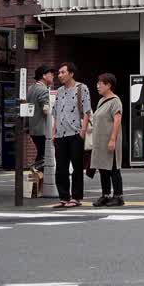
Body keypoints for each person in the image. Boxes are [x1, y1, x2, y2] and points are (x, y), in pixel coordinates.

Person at [51, 62, 92, 208]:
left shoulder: (82, 88)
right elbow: (55, 113)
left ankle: (76, 197)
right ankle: (64, 197)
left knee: (76, 166)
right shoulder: (59, 91)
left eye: (63, 72)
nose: (59, 75)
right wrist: (53, 132)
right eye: (59, 72)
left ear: (71, 73)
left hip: (75, 132)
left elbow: (87, 111)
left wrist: (83, 131)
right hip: (60, 134)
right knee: (61, 167)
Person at [90, 73, 125, 207]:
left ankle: (118, 196)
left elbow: (117, 120)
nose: (98, 86)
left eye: (101, 83)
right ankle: (105, 195)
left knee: (113, 168)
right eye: (98, 83)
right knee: (103, 168)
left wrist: (112, 139)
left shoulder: (115, 101)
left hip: (110, 140)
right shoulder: (101, 101)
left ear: (109, 85)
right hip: (100, 141)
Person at [28, 66, 54, 169]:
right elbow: (45, 109)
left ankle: (37, 180)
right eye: (51, 74)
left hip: (33, 128)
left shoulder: (31, 88)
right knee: (43, 155)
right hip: (42, 129)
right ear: (44, 75)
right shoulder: (43, 90)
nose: (53, 76)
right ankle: (39, 178)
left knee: (41, 153)